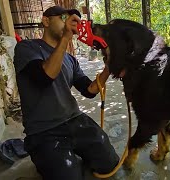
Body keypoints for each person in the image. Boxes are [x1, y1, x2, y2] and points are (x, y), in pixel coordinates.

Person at [13, 6, 119, 180]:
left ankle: (71, 156)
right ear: (45, 21)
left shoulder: (71, 60)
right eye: (63, 17)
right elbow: (45, 77)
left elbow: (90, 90)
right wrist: (66, 38)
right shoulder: (26, 48)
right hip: (43, 131)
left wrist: (109, 67)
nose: (69, 21)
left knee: (109, 163)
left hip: (75, 121)